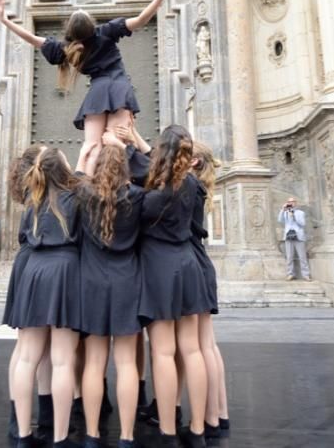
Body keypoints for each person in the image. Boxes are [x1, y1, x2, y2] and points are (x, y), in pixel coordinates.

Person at [0, 0, 167, 163]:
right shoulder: (107, 32)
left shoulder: (67, 50)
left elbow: (32, 38)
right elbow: (140, 20)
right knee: (117, 145)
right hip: (119, 89)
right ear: (92, 25)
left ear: (69, 32)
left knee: (91, 147)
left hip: (97, 93)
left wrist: (5, 21)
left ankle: (84, 188)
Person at [9, 146, 90, 448]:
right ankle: (59, 436)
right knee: (62, 361)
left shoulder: (33, 199)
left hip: (34, 271)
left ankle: (22, 435)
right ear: (62, 168)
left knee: (27, 358)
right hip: (65, 270)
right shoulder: (77, 196)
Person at [139, 125, 211, 448]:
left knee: (164, 352)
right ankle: (197, 431)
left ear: (162, 153)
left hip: (160, 270)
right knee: (192, 350)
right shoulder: (193, 185)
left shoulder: (152, 196)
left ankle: (168, 430)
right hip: (189, 265)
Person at [77, 142, 145, 448]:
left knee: (94, 363)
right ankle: (127, 436)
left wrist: (84, 158)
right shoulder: (138, 197)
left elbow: (78, 179)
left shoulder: (85, 195)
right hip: (127, 281)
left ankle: (92, 434)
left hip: (91, 282)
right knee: (127, 362)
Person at [4, 144, 56, 441]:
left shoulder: (33, 193)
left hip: (27, 265)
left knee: (32, 347)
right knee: (30, 349)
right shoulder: (40, 194)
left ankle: (32, 418)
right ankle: (24, 423)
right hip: (34, 265)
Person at [189, 142, 230, 438]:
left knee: (199, 347)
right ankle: (219, 414)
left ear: (192, 162)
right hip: (201, 265)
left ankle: (205, 420)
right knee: (208, 346)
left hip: (192, 266)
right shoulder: (199, 187)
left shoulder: (187, 186)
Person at [278, 197, 311, 281]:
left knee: (302, 256)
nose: (291, 203)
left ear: (296, 203)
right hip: (288, 236)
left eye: (292, 201)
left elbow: (302, 224)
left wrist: (294, 216)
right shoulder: (285, 213)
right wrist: (283, 209)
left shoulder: (300, 213)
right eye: (289, 201)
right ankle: (290, 274)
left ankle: (306, 275)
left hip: (298, 236)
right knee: (289, 257)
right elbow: (280, 220)